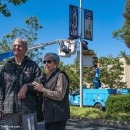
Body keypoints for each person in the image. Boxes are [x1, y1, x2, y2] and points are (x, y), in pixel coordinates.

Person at [0, 38, 43, 130]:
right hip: (9, 108)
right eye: (15, 45)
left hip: (28, 108)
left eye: (20, 45)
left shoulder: (33, 66)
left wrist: (27, 86)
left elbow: (40, 81)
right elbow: (1, 88)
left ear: (26, 49)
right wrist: (0, 106)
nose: (17, 47)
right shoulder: (6, 67)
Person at [32, 53, 70, 130]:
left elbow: (60, 95)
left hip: (58, 116)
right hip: (49, 115)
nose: (46, 64)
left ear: (56, 63)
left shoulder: (60, 76)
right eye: (44, 62)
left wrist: (42, 90)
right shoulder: (45, 77)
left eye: (49, 61)